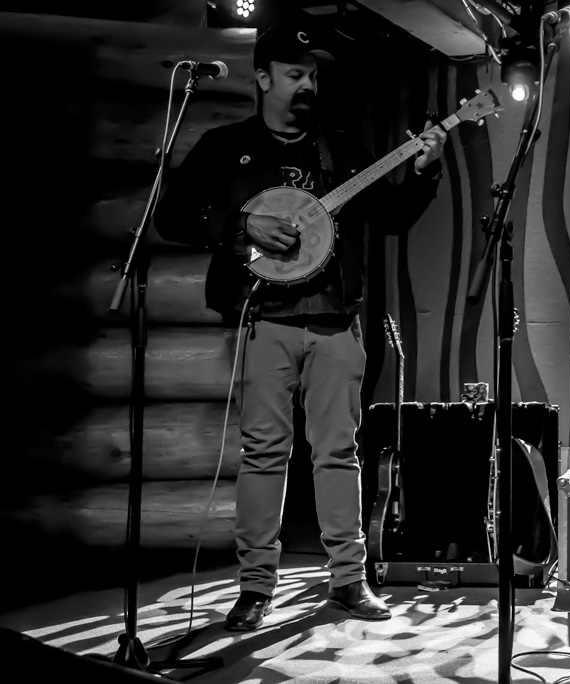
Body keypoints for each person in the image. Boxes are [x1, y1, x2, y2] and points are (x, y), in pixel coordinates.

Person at [155, 22, 446, 630]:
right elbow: (173, 216)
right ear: (263, 78)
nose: (308, 84)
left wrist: (425, 170)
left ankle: (348, 580)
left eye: (313, 75)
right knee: (264, 454)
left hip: (335, 319)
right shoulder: (224, 145)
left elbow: (392, 216)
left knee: (339, 453)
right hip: (264, 317)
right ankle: (256, 587)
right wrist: (242, 224)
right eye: (295, 73)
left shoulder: (342, 150)